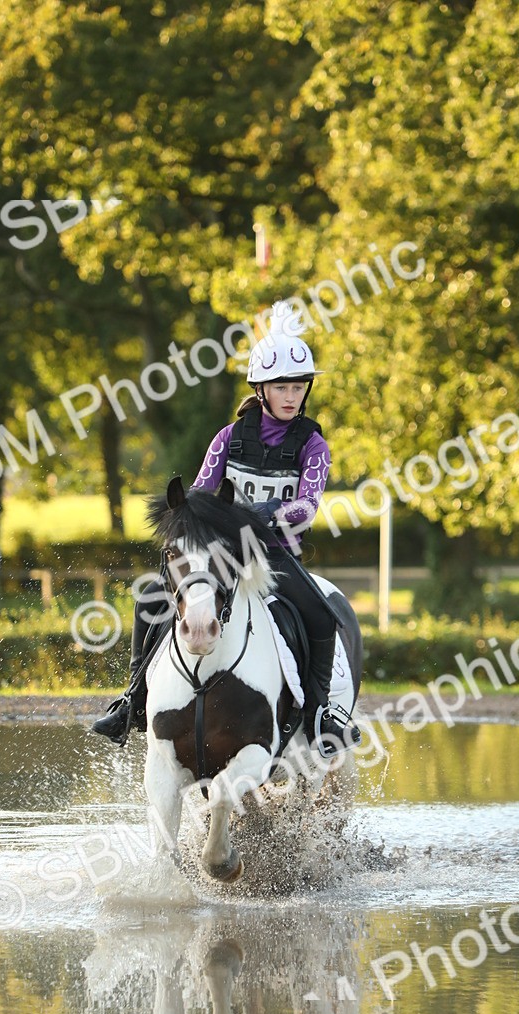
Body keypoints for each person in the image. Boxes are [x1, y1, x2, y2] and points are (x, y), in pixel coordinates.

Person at [92, 300, 358, 756]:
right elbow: (198, 492)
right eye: (281, 387)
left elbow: (308, 506)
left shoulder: (313, 443)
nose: (291, 396)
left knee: (320, 613)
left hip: (273, 554)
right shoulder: (228, 438)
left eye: (298, 386)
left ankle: (318, 713)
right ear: (261, 390)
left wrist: (265, 515)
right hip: (218, 554)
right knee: (149, 599)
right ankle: (133, 699)